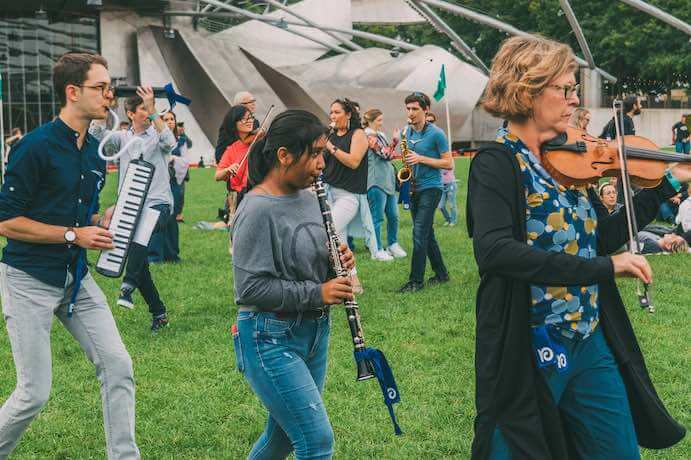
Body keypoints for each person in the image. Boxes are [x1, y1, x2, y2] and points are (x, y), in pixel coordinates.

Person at [467, 35, 689, 459]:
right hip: (528, 340)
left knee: (617, 450)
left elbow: (600, 238)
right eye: (565, 89)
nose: (573, 100)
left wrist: (666, 183)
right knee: (516, 447)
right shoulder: (496, 164)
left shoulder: (566, 164)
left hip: (588, 336)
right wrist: (604, 268)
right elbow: (495, 252)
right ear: (527, 90)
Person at [0, 52, 139, 458]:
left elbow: (81, 216)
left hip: (76, 279)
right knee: (33, 393)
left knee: (118, 367)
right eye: (100, 87)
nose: (109, 95)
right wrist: (72, 234)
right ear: (72, 92)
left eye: (109, 87)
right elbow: (6, 223)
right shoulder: (33, 147)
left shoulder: (95, 150)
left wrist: (102, 218)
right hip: (28, 281)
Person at [231, 109, 354, 459]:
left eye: (322, 154)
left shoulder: (312, 194)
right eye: (314, 154)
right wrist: (318, 292)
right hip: (269, 336)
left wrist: (337, 260)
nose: (321, 164)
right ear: (283, 155)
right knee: (316, 442)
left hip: (314, 332)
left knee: (283, 437)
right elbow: (250, 290)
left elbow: (309, 253)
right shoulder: (256, 209)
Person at [92, 88, 176, 331]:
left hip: (158, 205)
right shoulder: (122, 138)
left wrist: (153, 110)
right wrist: (103, 107)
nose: (148, 113)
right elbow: (96, 136)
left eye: (149, 108)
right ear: (129, 113)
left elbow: (170, 142)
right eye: (142, 109)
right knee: (141, 264)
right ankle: (158, 312)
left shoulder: (157, 135)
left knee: (141, 233)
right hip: (130, 207)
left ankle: (127, 284)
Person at [398, 92, 453, 293]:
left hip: (432, 187)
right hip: (413, 187)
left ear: (426, 109)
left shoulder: (437, 134)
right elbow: (407, 158)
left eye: (415, 109)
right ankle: (441, 274)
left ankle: (416, 281)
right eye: (408, 109)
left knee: (419, 233)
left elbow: (448, 163)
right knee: (427, 234)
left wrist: (420, 158)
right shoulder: (406, 132)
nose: (410, 113)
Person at [363, 108, 406, 261]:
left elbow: (390, 154)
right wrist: (395, 141)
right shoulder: (368, 136)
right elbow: (385, 154)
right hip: (376, 182)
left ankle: (393, 244)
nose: (382, 123)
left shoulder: (380, 135)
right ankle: (377, 249)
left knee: (394, 216)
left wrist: (392, 146)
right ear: (371, 120)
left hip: (388, 181)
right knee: (377, 217)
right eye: (379, 120)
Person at [215, 105, 256, 254]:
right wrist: (228, 169)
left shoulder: (260, 141)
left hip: (257, 193)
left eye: (250, 117)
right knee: (238, 235)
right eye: (244, 119)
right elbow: (217, 175)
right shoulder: (232, 149)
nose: (249, 121)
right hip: (238, 196)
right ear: (235, 124)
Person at [161, 111, 189, 263]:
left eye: (172, 119)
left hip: (173, 181)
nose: (170, 122)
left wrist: (174, 158)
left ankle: (172, 252)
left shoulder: (181, 140)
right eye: (166, 119)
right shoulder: (158, 138)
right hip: (160, 182)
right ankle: (160, 252)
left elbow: (185, 161)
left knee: (173, 216)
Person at [214, 91, 260, 162]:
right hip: (228, 161)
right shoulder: (231, 122)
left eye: (254, 101)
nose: (253, 104)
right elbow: (241, 142)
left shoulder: (255, 122)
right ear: (239, 106)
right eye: (250, 102)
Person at [439, 161, 457, 226]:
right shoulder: (438, 159)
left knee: (452, 205)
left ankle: (453, 221)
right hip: (441, 185)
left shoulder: (449, 159)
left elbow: (450, 167)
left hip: (450, 184)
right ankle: (448, 219)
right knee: (441, 206)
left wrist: (439, 165)